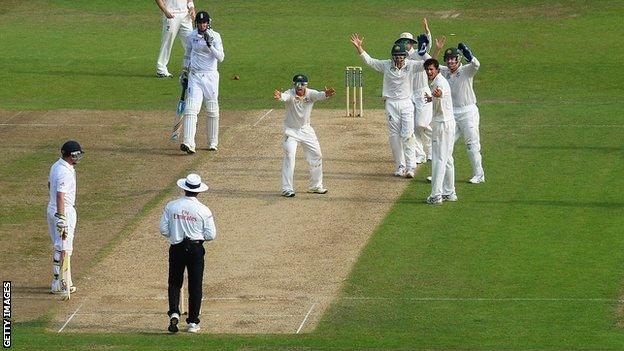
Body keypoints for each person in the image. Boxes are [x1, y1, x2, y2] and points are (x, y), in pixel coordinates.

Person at [350, 33, 426, 178]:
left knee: (408, 135)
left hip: (406, 104)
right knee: (394, 136)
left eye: (401, 57)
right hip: (391, 104)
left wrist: (426, 52)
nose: (398, 61)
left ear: (405, 57)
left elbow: (428, 64)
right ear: (392, 57)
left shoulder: (411, 65)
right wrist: (360, 48)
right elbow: (370, 61)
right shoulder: (386, 64)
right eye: (396, 57)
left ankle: (410, 167)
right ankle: (400, 166)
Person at [159, 173, 216, 333]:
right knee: (195, 284)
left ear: (184, 189)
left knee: (175, 282)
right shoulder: (204, 210)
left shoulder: (171, 206)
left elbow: (163, 229)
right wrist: (197, 238)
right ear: (198, 191)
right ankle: (192, 322)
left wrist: (176, 236)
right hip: (196, 249)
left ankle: (174, 313)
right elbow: (211, 235)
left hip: (176, 247)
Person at [273, 74, 336, 197]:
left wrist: (326, 94)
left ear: (306, 85)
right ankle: (287, 188)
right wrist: (280, 96)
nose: (299, 87)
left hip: (306, 130)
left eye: (302, 84)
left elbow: (319, 95)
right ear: (293, 85)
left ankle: (315, 186)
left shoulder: (310, 93)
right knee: (290, 156)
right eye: (297, 84)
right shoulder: (290, 94)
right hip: (291, 131)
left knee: (317, 155)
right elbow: (284, 97)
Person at [434, 36, 485, 184]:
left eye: (453, 59)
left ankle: (479, 174)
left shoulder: (466, 71)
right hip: (452, 113)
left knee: (471, 144)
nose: (450, 61)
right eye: (448, 59)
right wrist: (437, 49)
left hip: (468, 112)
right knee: (446, 144)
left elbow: (476, 65)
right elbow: (431, 64)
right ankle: (441, 174)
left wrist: (470, 56)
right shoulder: (444, 72)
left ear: (459, 59)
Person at [180, 11, 225, 154]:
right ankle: (188, 143)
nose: (202, 25)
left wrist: (210, 45)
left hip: (211, 77)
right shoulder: (191, 36)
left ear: (208, 23)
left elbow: (221, 57)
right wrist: (184, 71)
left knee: (212, 109)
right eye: (199, 23)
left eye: (204, 22)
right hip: (195, 76)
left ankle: (213, 142)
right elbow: (187, 55)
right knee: (191, 108)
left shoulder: (215, 36)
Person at [395, 18, 434, 165]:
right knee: (413, 127)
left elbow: (427, 44)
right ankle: (421, 154)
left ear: (411, 43)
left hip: (423, 93)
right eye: (402, 41)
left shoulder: (419, 53)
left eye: (406, 41)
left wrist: (426, 29)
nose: (404, 44)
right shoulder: (399, 58)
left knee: (422, 124)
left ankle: (433, 148)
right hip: (409, 95)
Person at [47, 140, 83, 294]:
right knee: (64, 248)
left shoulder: (57, 165)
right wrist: (61, 217)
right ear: (71, 155)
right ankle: (60, 283)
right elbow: (60, 195)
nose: (78, 157)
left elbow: (50, 185)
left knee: (59, 246)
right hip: (63, 211)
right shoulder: (64, 172)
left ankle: (60, 280)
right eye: (77, 154)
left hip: (52, 208)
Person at [424, 59, 457, 204]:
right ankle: (449, 192)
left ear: (438, 70)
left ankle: (436, 195)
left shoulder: (439, 83)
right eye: (427, 70)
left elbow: (441, 92)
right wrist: (433, 97)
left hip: (442, 125)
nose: (429, 72)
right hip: (448, 123)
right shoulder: (438, 81)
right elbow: (440, 95)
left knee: (438, 159)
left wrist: (437, 95)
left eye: (431, 69)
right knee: (448, 159)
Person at [155, 0, 195, 78]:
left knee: (191, 42)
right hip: (171, 14)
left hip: (186, 15)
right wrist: (165, 10)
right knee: (167, 42)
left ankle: (193, 67)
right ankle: (161, 69)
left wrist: (191, 8)